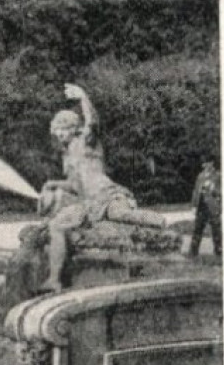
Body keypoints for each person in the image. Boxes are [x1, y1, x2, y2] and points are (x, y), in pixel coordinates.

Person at [40, 83, 173, 293]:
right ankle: (53, 279)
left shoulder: (87, 140)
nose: (59, 135)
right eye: (56, 131)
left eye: (62, 130)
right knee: (57, 226)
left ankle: (159, 221)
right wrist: (54, 184)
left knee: (119, 213)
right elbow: (75, 186)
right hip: (87, 203)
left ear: (74, 128)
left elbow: (93, 121)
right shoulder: (68, 157)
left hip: (106, 194)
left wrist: (83, 97)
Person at [187, 157, 222, 256]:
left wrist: (213, 190)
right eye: (204, 164)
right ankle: (193, 251)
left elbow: (221, 192)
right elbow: (195, 192)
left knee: (216, 230)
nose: (205, 166)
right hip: (201, 206)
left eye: (207, 163)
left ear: (211, 164)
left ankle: (219, 250)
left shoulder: (217, 176)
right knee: (197, 228)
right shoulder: (200, 176)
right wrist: (193, 205)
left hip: (212, 206)